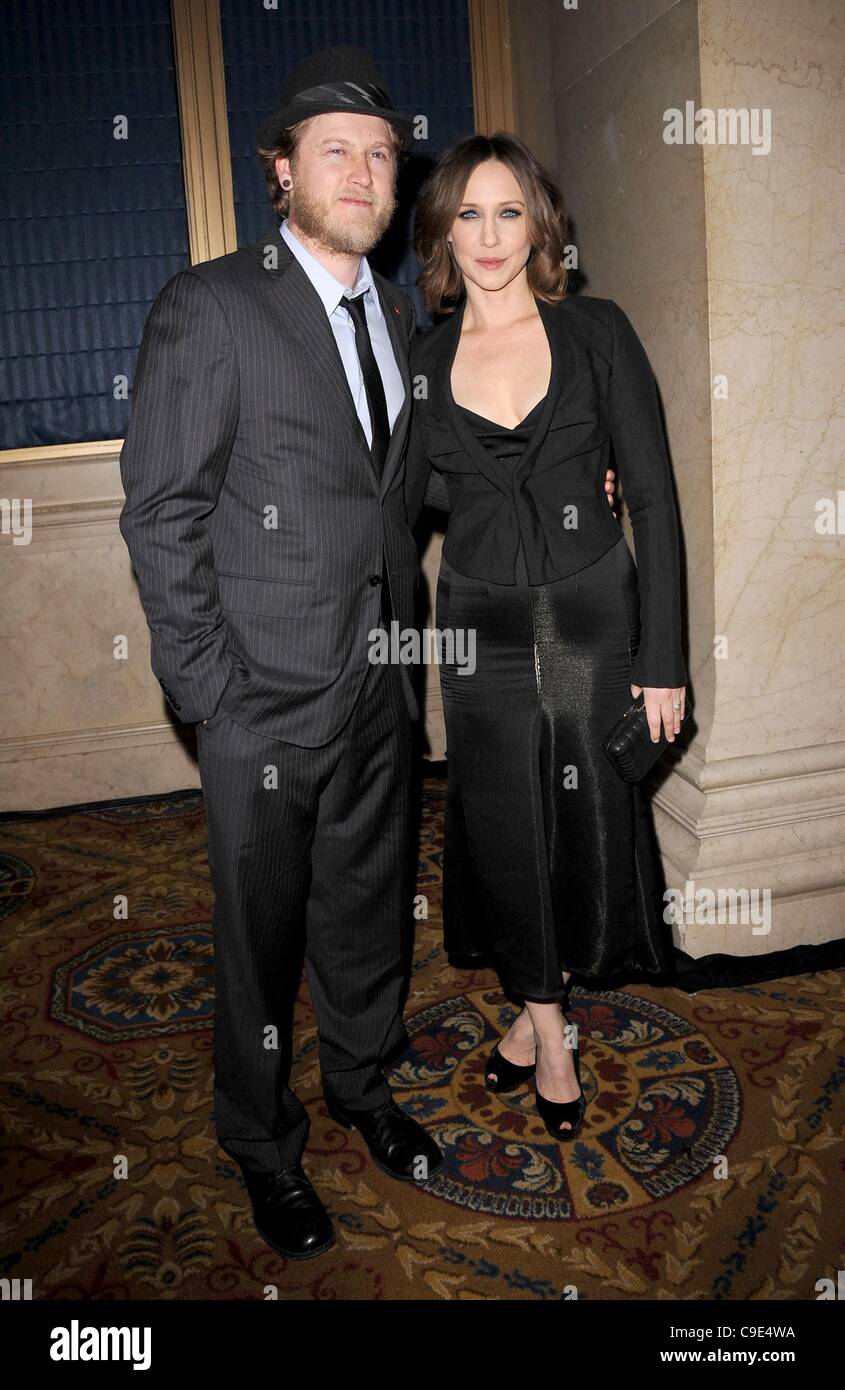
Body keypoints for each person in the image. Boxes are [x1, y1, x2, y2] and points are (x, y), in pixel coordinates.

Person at [118, 46, 447, 1261]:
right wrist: (211, 693)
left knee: (366, 913)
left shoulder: (396, 308)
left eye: (379, 153)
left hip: (378, 691)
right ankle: (262, 1144)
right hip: (259, 697)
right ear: (281, 173)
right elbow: (163, 512)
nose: (363, 172)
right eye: (335, 150)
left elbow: (391, 492)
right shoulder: (213, 304)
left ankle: (363, 1086)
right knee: (258, 942)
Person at [405, 133, 687, 1142]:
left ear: (540, 225)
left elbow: (650, 498)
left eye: (507, 211)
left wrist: (663, 661)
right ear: (441, 230)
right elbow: (412, 494)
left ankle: (536, 1004)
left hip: (591, 611)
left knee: (588, 818)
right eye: (466, 214)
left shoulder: (598, 332)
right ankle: (547, 1026)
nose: (487, 235)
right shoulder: (423, 359)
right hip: (477, 618)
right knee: (503, 826)